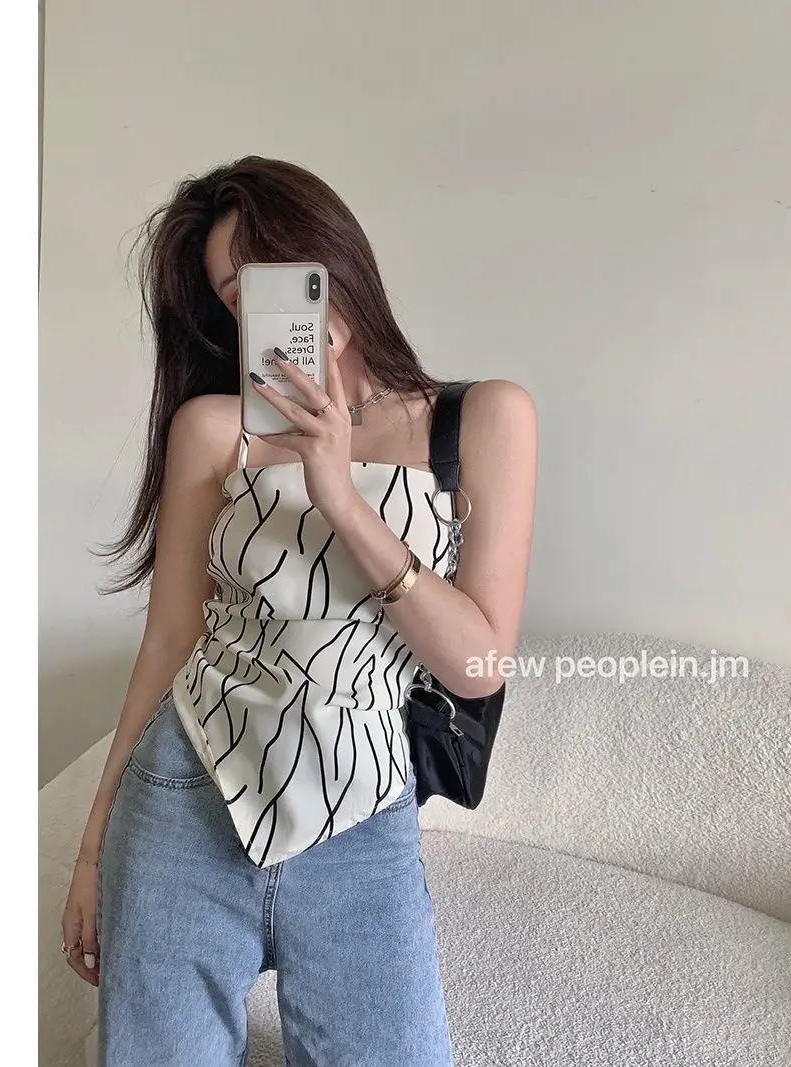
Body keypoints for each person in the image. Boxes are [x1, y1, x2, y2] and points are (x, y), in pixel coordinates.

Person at [59, 155, 538, 1067]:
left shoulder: (481, 419)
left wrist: (342, 497)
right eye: (236, 294)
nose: (267, 306)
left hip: (361, 820)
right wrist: (92, 850)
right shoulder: (215, 428)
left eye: (281, 271)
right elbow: (169, 641)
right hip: (183, 802)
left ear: (337, 257)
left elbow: (476, 665)